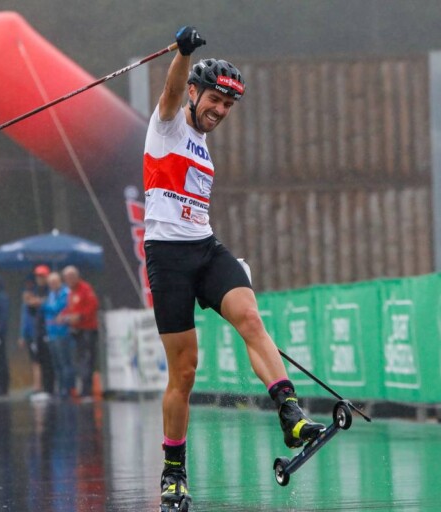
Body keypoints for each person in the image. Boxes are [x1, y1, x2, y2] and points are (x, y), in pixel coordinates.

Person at [143, 26, 325, 508]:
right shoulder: (167, 125)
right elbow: (170, 90)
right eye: (214, 102)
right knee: (184, 373)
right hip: (167, 257)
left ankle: (291, 416)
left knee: (250, 317)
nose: (219, 112)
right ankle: (174, 470)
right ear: (197, 94)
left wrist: (231, 267)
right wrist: (183, 53)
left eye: (228, 107)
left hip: (204, 248)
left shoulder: (203, 148)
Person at [60, 265, 100, 398]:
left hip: (87, 329)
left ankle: (87, 390)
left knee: (87, 360)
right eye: (67, 278)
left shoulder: (85, 289)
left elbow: (92, 306)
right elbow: (71, 309)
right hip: (77, 331)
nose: (69, 280)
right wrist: (63, 315)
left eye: (71, 277)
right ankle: (83, 389)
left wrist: (81, 316)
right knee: (80, 360)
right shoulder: (71, 293)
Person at [24, 265, 55, 398]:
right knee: (40, 360)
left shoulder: (50, 290)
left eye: (42, 276)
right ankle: (43, 388)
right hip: (38, 330)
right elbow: (31, 311)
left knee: (49, 361)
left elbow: (50, 305)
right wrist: (31, 303)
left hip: (49, 329)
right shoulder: (35, 291)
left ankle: (50, 388)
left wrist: (39, 302)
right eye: (38, 276)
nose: (39, 279)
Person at [42, 271, 75, 399]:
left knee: (65, 363)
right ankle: (60, 388)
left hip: (62, 332)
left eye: (54, 282)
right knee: (56, 364)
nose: (52, 285)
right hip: (51, 332)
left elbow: (56, 308)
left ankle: (68, 389)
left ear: (59, 281)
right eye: (50, 283)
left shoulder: (65, 293)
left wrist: (41, 304)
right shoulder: (51, 294)